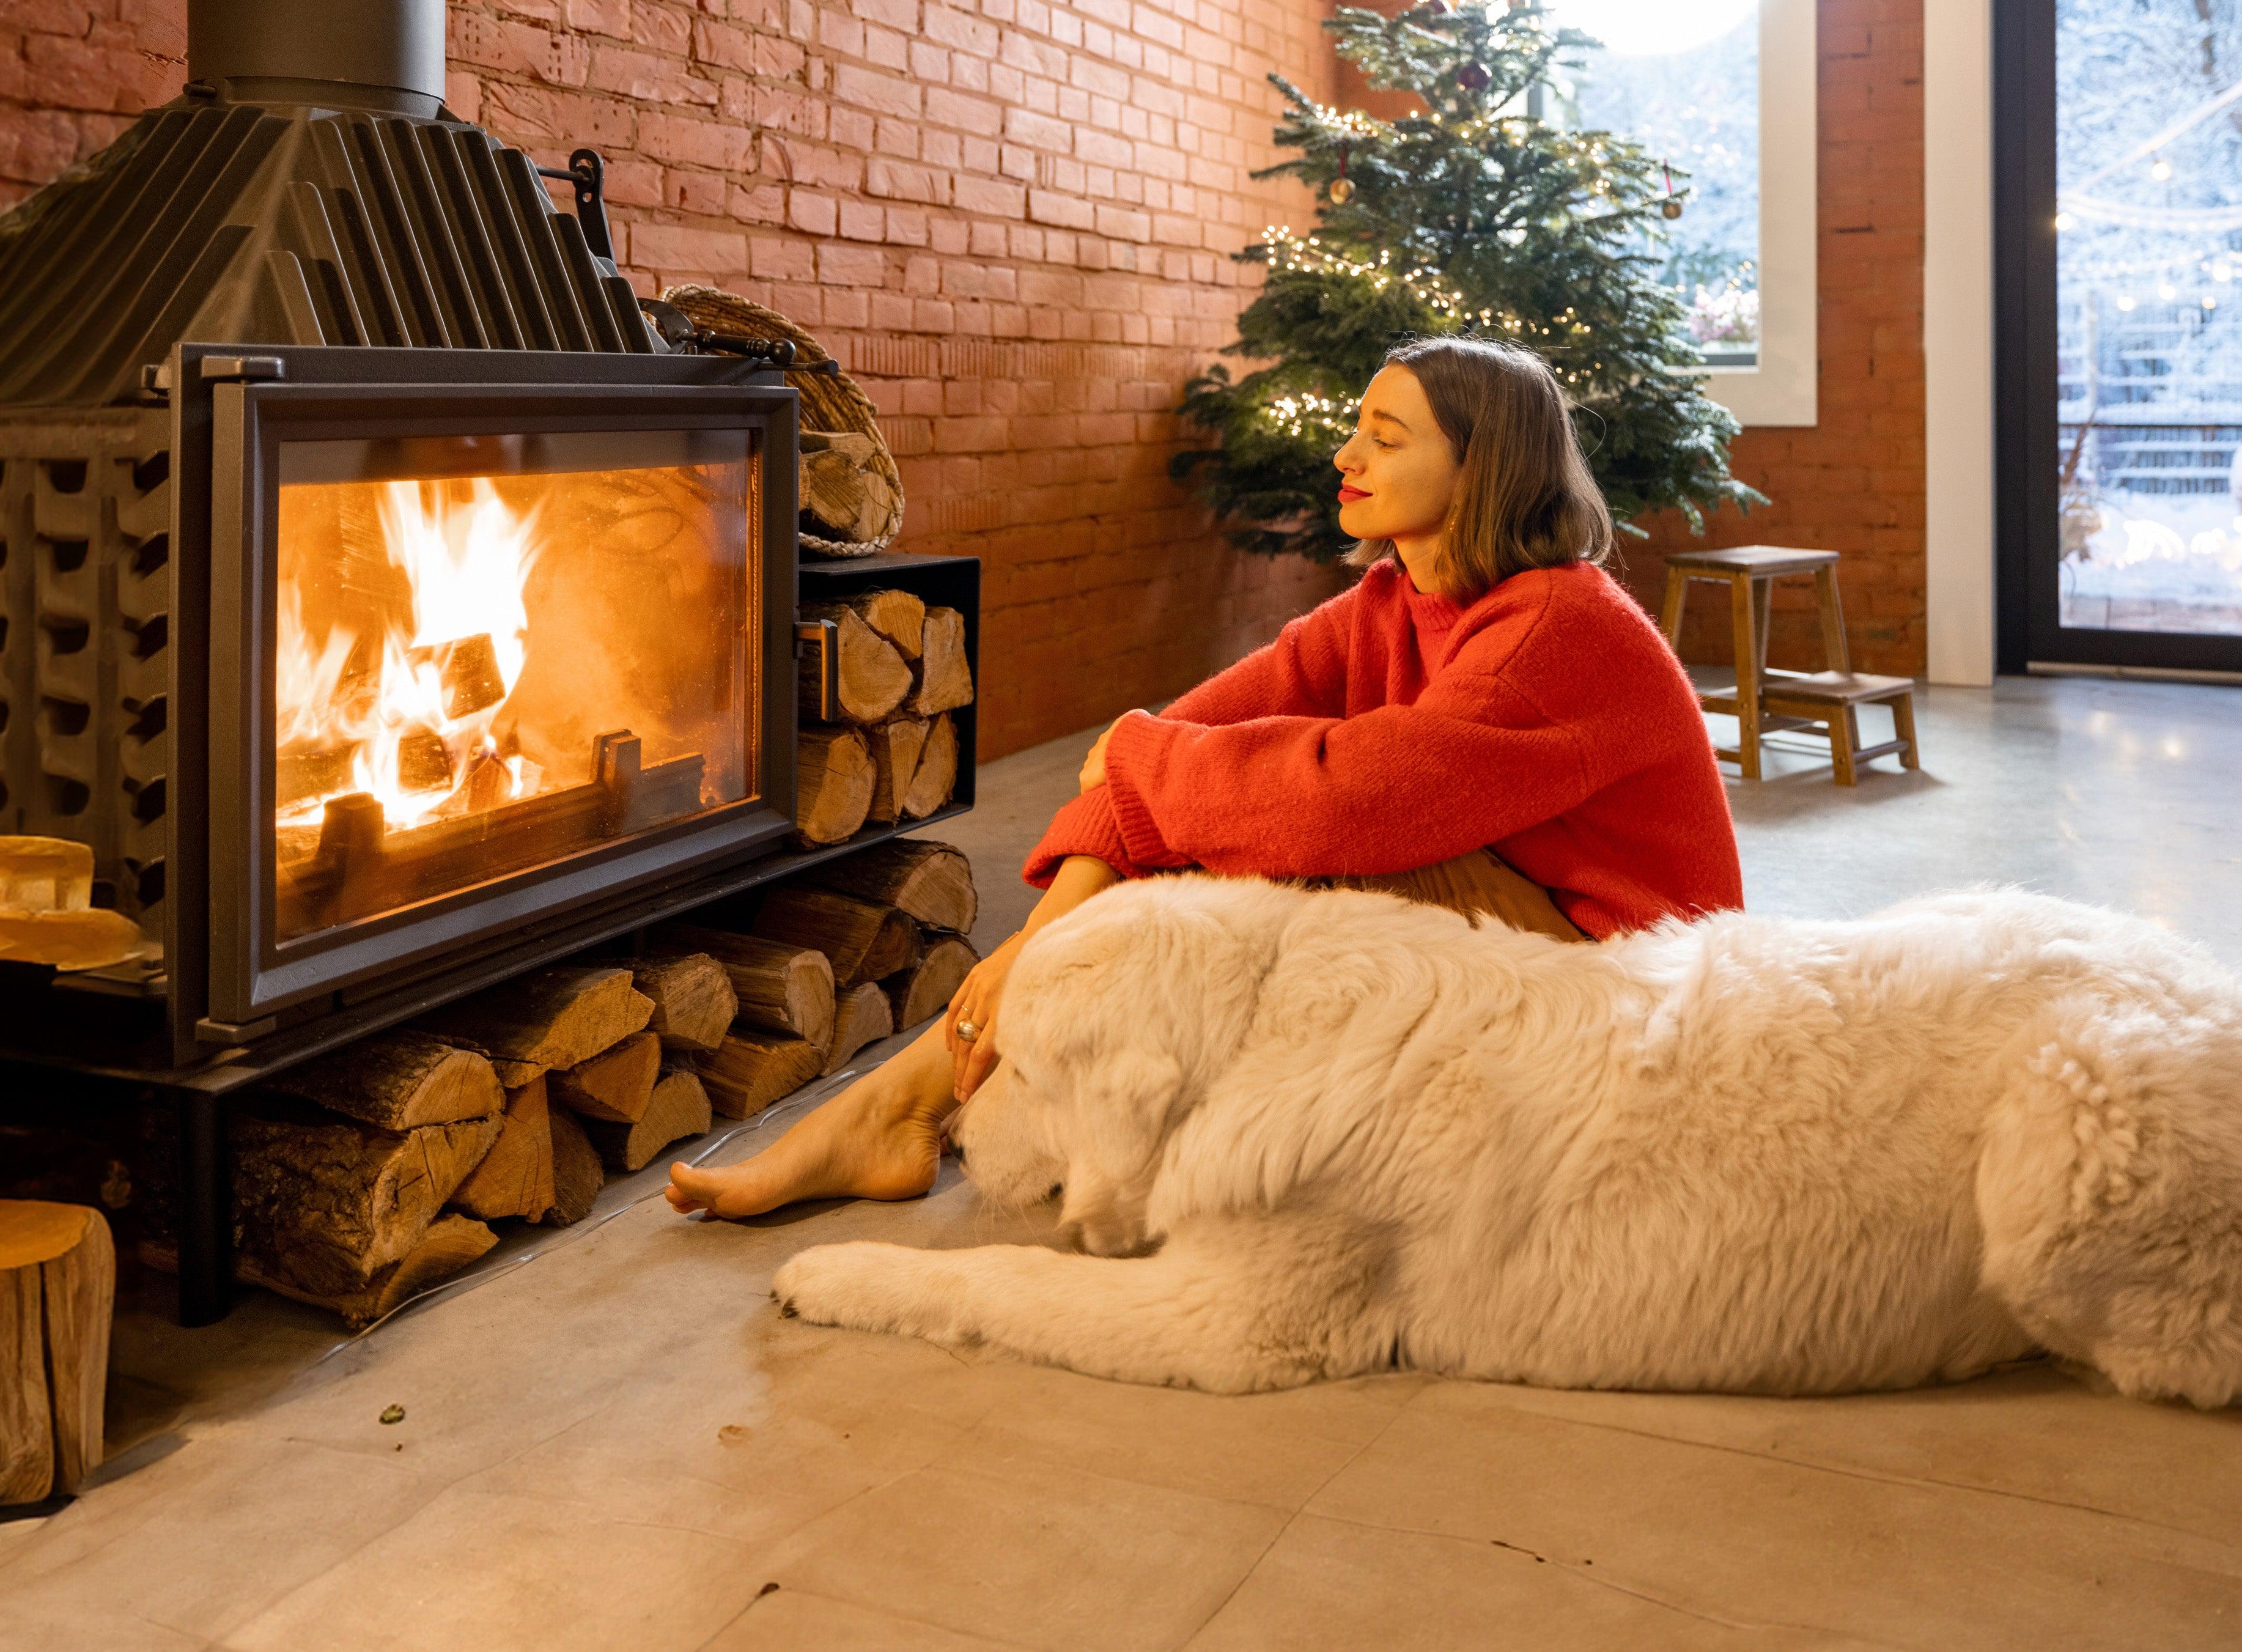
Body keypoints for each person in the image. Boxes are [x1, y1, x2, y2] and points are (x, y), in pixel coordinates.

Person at [664, 335, 1742, 1222]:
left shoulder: (1558, 627)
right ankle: (904, 1110)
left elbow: (1343, 801)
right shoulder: (1386, 605)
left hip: (1621, 984)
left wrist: (1138, 764)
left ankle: (917, 1110)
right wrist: (1041, 936)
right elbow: (1175, 741)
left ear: (1482, 467)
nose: (1345, 455)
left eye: (1386, 436)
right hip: (1511, 929)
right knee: (1223, 810)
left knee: (1273, 828)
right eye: (1354, 427)